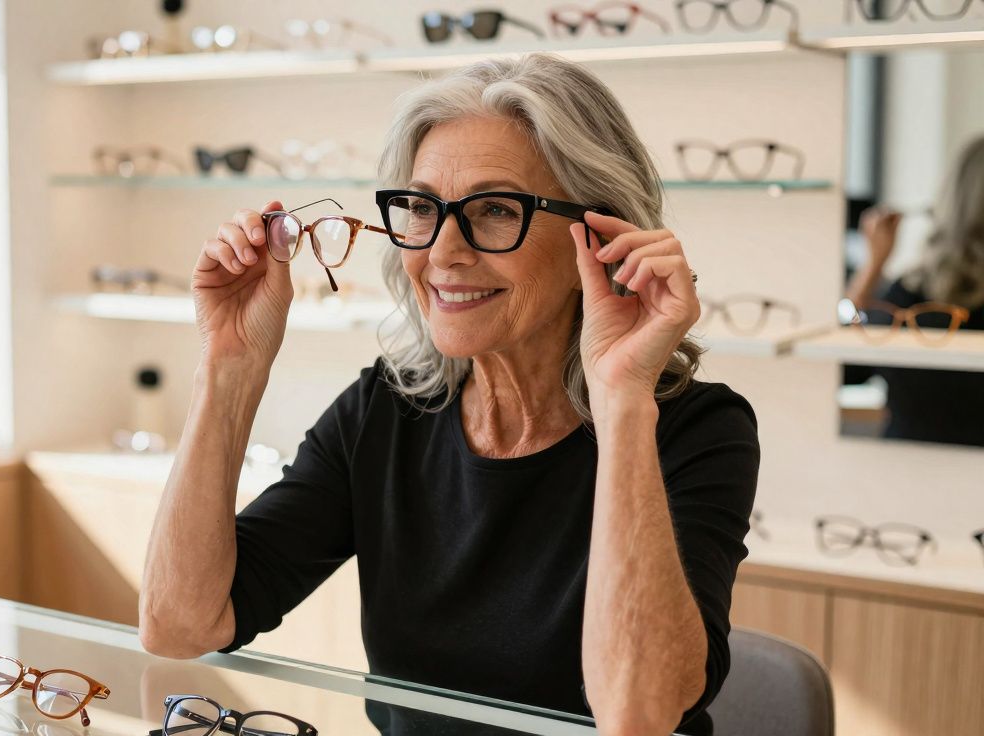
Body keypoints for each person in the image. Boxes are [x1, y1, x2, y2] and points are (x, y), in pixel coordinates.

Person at [140, 53, 760, 736]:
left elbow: (638, 712)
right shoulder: (384, 411)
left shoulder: (694, 429)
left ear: (602, 235)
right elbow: (179, 623)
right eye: (421, 208)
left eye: (495, 210)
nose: (443, 251)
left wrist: (620, 402)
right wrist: (228, 367)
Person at [844, 135, 984, 446]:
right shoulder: (906, 298)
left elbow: (846, 367)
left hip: (906, 474)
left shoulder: (907, 298)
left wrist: (873, 265)